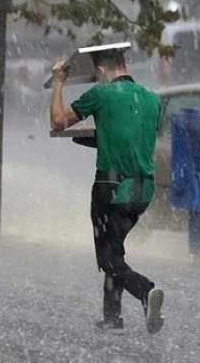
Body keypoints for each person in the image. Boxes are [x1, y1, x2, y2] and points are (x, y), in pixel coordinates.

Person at [49, 47, 165, 334]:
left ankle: (145, 291)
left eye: (97, 74)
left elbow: (57, 121)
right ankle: (112, 317)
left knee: (108, 258)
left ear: (100, 71)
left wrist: (59, 83)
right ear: (124, 64)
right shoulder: (152, 99)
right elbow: (134, 138)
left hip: (111, 188)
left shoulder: (100, 95)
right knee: (114, 249)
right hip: (142, 191)